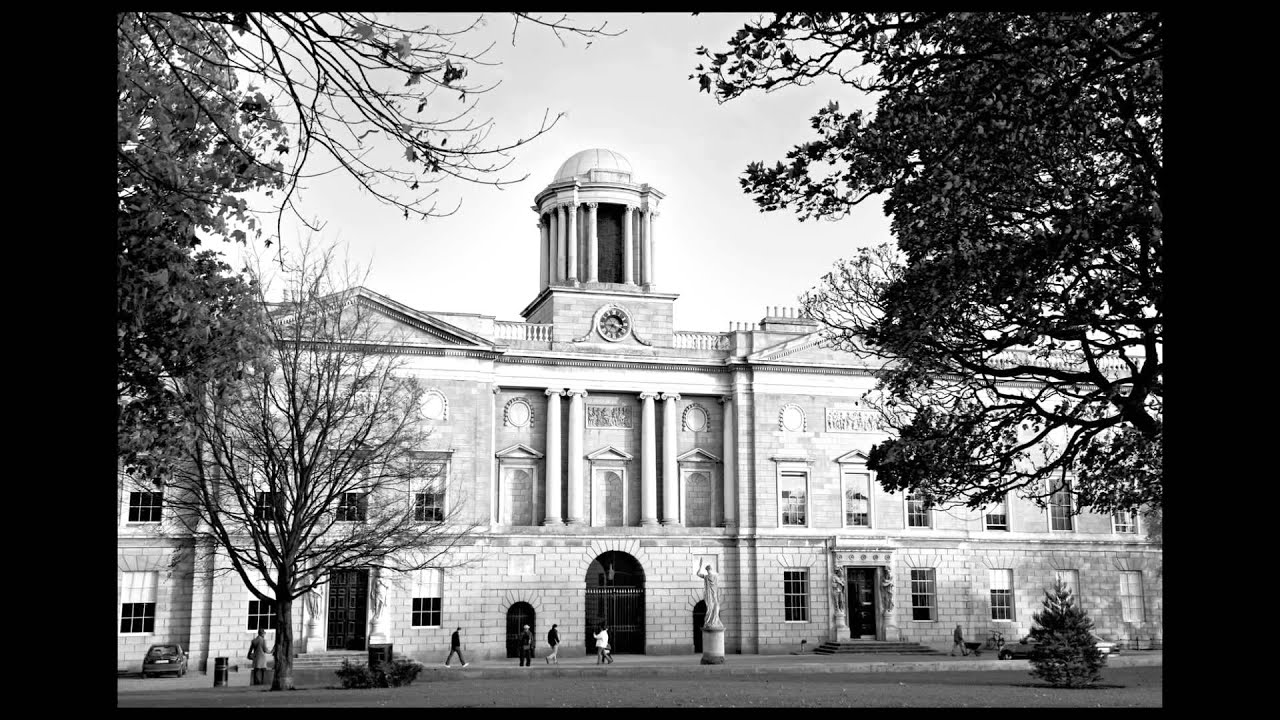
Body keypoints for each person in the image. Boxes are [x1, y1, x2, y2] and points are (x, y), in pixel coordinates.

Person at [697, 563, 721, 628]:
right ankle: (710, 621)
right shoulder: (707, 577)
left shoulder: (713, 576)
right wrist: (700, 567)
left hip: (713, 594)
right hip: (710, 595)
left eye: (709, 569)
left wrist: (700, 567)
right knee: (710, 608)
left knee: (715, 607)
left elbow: (698, 574)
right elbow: (698, 574)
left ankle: (714, 621)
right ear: (707, 570)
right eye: (708, 570)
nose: (709, 571)